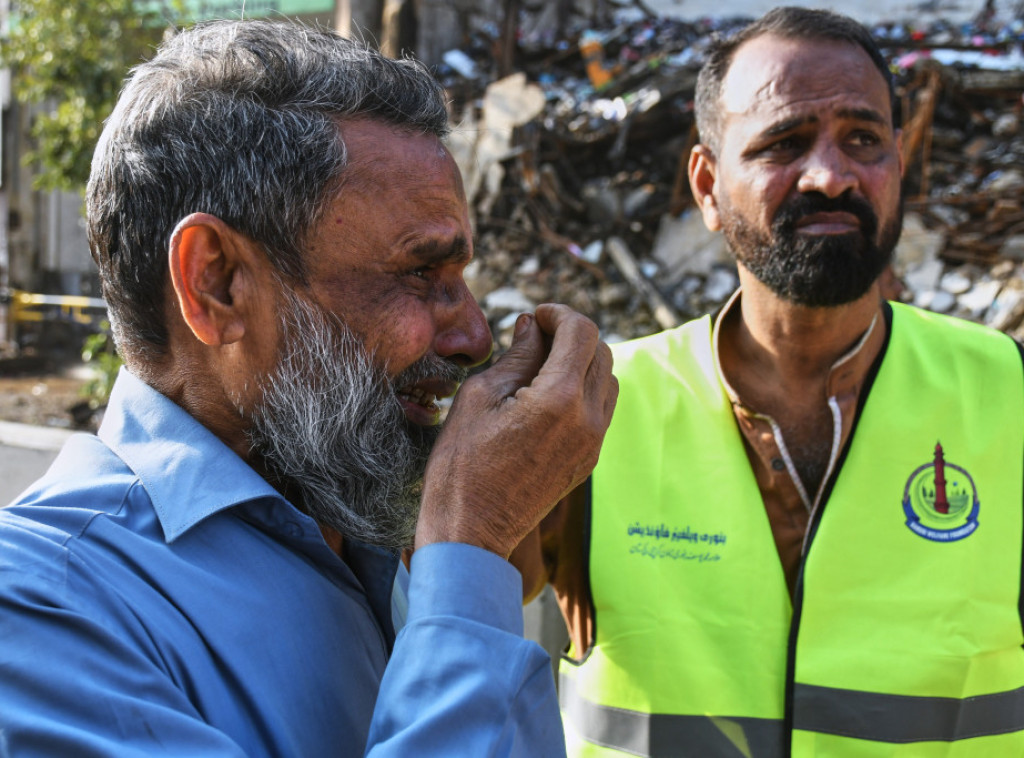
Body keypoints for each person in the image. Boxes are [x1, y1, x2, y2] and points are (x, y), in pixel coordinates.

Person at [0, 19, 618, 757]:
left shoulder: (361, 509)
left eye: (462, 278)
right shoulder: (45, 606)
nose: (475, 337)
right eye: (420, 273)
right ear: (217, 283)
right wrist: (469, 554)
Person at [517, 7, 1024, 756]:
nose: (829, 175)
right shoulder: (593, 407)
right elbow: (462, 642)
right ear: (708, 186)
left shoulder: (1008, 395)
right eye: (784, 143)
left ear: (899, 163)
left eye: (864, 139)